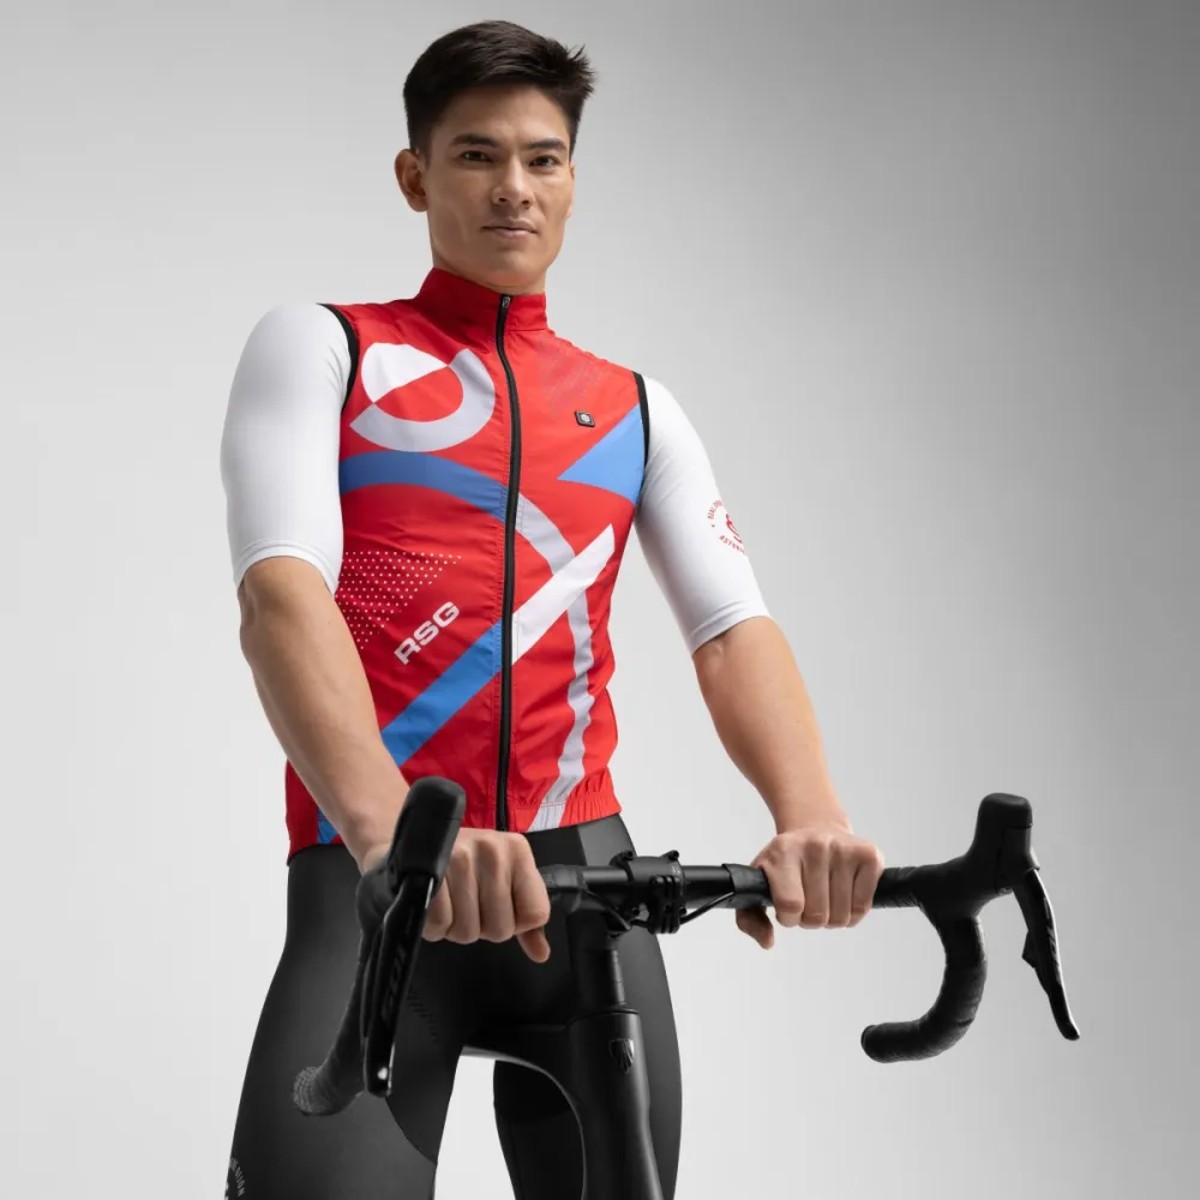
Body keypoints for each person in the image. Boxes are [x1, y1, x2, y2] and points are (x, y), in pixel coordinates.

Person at [219, 18, 885, 1199]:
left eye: (544, 158)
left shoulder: (636, 407)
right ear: (415, 176)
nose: (513, 188)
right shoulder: (326, 350)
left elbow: (731, 628)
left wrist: (811, 813)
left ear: (574, 179)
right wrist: (387, 834)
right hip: (379, 882)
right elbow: (282, 597)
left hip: (587, 896)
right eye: (476, 156)